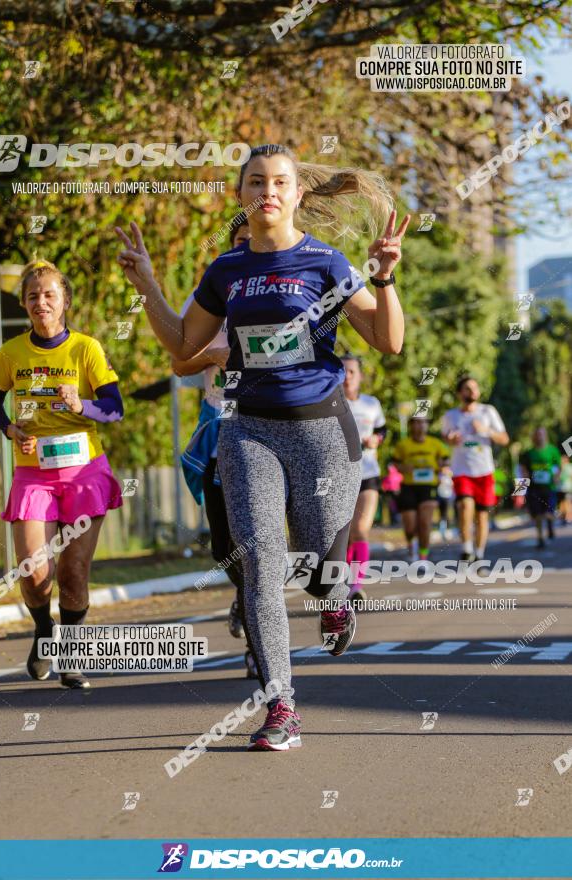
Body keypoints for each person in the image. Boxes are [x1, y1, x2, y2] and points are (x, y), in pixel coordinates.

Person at [116, 143, 409, 751]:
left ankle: (335, 597)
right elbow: (181, 349)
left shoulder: (327, 263)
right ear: (243, 194)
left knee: (316, 568)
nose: (267, 192)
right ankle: (281, 705)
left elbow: (387, 341)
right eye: (256, 182)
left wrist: (384, 278)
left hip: (323, 433)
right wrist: (148, 287)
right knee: (260, 566)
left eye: (279, 182)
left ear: (298, 194)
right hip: (248, 429)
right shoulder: (227, 271)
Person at [0, 259, 123, 689]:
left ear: (64, 300)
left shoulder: (86, 349)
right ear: (24, 304)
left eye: (49, 294)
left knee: (73, 573)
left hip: (84, 472)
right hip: (33, 475)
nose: (40, 302)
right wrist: (8, 428)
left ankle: (72, 653)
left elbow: (115, 408)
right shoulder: (11, 353)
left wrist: (82, 405)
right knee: (34, 572)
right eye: (32, 296)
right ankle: (45, 630)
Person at [174, 218, 258, 678]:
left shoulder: (286, 286)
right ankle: (245, 597)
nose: (247, 248)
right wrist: (214, 355)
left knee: (258, 537)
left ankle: (256, 635)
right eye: (238, 242)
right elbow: (177, 361)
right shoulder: (212, 290)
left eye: (254, 242)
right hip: (219, 424)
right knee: (225, 544)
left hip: (270, 424)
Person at [441, 376, 509, 566]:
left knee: (481, 516)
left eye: (475, 388)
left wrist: (486, 430)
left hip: (484, 471)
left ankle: (479, 554)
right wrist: (451, 439)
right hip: (461, 470)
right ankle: (467, 549)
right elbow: (445, 436)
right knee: (464, 506)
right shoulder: (451, 415)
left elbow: (504, 439)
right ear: (459, 393)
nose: (472, 392)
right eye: (467, 388)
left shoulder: (488, 411)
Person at [341, 353, 386, 605]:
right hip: (339, 476)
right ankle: (345, 582)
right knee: (343, 534)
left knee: (359, 530)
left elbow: (382, 429)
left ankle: (356, 586)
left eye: (351, 371)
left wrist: (376, 439)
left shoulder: (372, 403)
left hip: (368, 474)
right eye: (343, 371)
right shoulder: (330, 404)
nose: (347, 377)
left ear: (360, 376)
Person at [392, 417, 449, 561]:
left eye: (423, 422)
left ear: (427, 425)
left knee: (425, 523)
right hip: (409, 487)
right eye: (417, 422)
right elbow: (395, 464)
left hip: (428, 486)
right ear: (411, 425)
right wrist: (405, 468)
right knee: (410, 526)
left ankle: (423, 555)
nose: (420, 425)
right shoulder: (403, 445)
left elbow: (446, 460)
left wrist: (438, 466)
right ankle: (411, 545)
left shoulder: (436, 444)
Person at [520, 428, 560, 548]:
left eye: (542, 434)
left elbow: (558, 466)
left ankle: (550, 524)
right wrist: (522, 487)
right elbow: (523, 469)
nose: (539, 437)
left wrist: (556, 477)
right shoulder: (528, 453)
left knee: (549, 513)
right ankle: (540, 538)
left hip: (549, 487)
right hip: (534, 488)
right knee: (537, 515)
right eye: (537, 435)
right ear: (534, 437)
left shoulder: (553, 451)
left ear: (546, 436)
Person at [557, 455, 572, 524]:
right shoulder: (559, 467)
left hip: (567, 488)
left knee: (567, 502)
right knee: (561, 503)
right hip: (559, 488)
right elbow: (557, 478)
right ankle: (563, 517)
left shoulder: (569, 467)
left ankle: (568, 516)